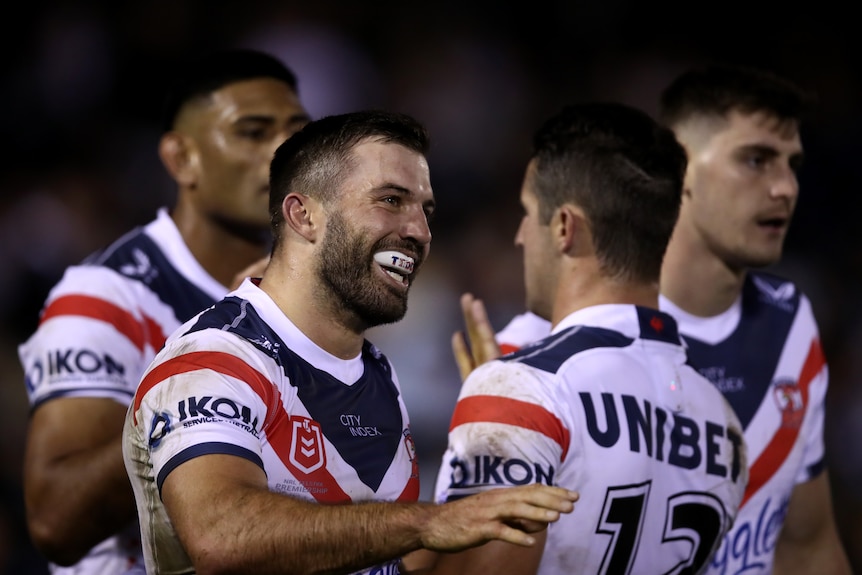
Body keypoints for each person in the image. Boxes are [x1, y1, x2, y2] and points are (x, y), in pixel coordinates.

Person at [122, 110, 579, 575]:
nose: (421, 231)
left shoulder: (374, 372)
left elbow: (388, 556)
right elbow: (222, 539)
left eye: (426, 210)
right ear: (303, 215)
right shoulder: (214, 359)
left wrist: (496, 443)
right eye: (391, 200)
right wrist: (428, 520)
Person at [464, 65, 853, 574]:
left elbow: (808, 545)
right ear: (681, 169)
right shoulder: (545, 345)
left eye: (792, 164)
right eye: (756, 160)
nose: (785, 187)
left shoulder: (791, 323)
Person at [415, 102, 748, 574]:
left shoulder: (527, 391)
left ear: (565, 228)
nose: (518, 237)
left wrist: (492, 411)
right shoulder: (725, 424)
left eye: (528, 214)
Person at [17, 48, 312, 574]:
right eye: (252, 131)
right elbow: (54, 522)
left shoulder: (309, 289)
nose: (285, 150)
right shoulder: (105, 297)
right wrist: (205, 366)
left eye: (297, 131)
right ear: (182, 159)